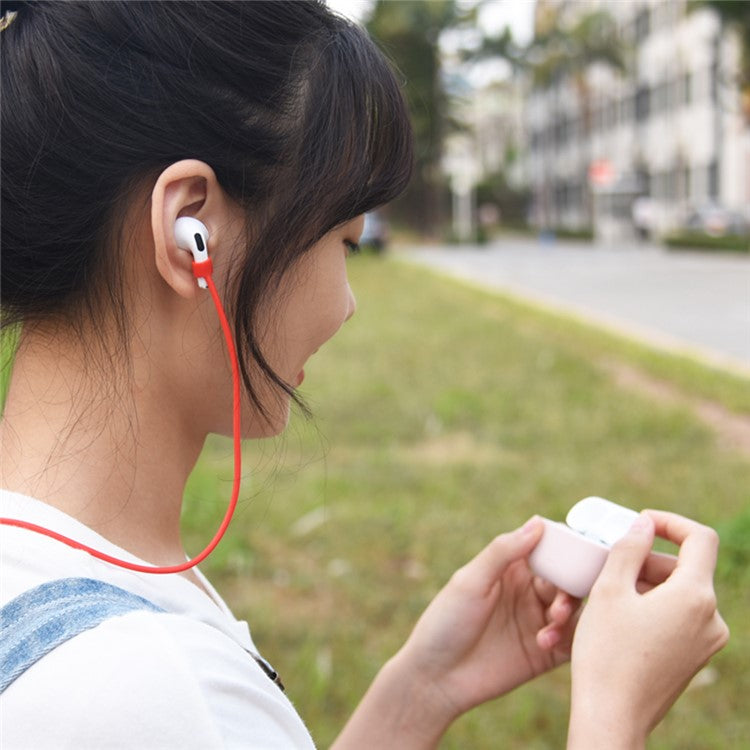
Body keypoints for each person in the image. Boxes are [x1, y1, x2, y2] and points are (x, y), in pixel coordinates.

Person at [0, 2, 728, 748]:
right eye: (345, 239)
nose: (347, 305)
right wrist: (613, 714)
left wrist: (421, 689)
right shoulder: (149, 691)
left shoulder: (62, 575)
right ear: (194, 232)